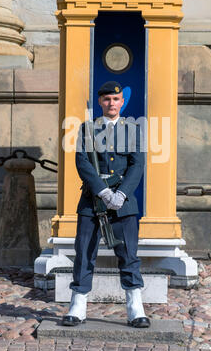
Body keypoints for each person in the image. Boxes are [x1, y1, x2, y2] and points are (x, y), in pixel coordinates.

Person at [61, 81, 150, 328]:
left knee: (129, 255)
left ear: (122, 102)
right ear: (100, 102)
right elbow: (82, 163)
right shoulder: (87, 129)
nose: (111, 103)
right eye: (107, 99)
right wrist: (102, 191)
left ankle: (135, 309)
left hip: (124, 203)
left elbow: (137, 165)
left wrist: (119, 195)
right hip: (92, 202)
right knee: (84, 253)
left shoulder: (133, 130)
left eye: (116, 99)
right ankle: (77, 307)